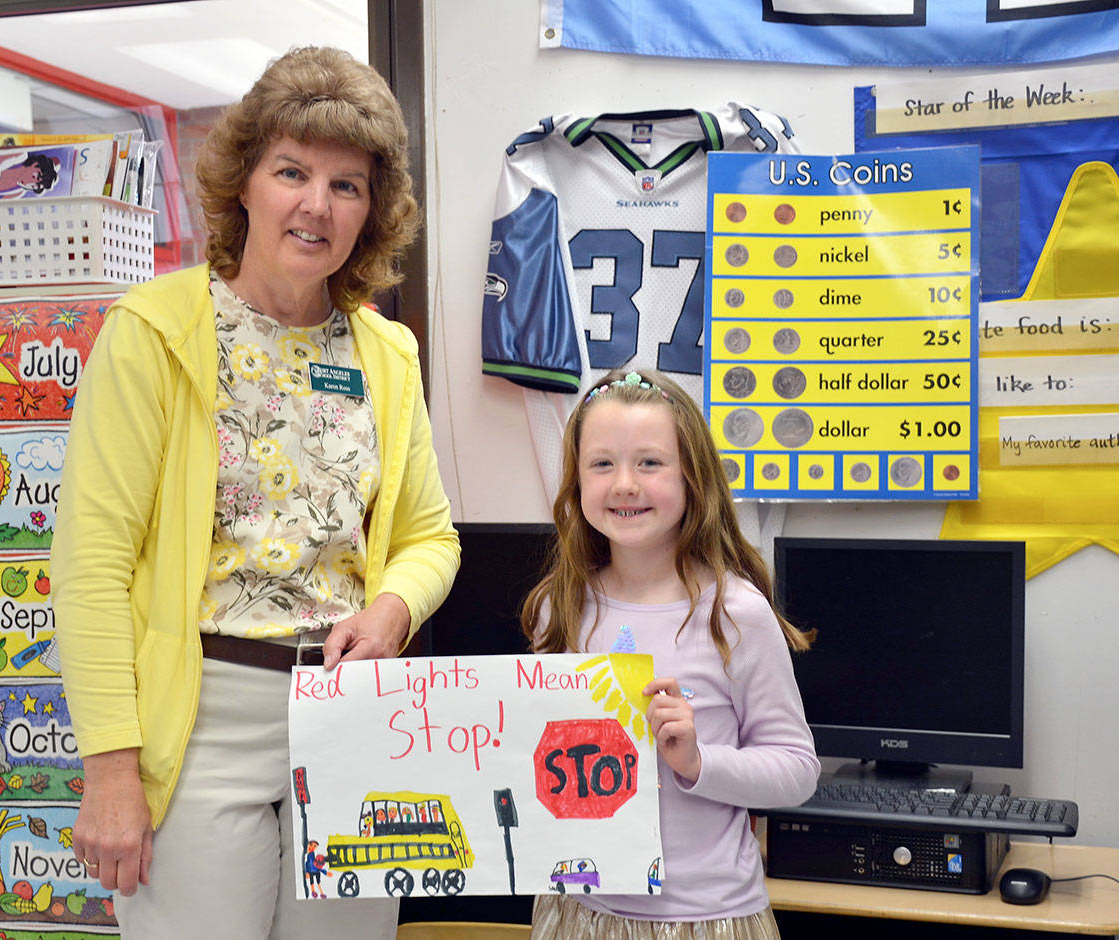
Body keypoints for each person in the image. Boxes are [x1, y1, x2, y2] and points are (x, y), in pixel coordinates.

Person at [50, 46, 459, 939]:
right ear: (244, 182)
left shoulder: (387, 354)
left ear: (372, 211)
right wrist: (110, 771)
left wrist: (392, 608)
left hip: (350, 717)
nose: (317, 205)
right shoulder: (152, 332)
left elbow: (432, 537)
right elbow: (91, 567)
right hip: (200, 718)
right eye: (292, 172)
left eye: (347, 186)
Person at [521, 368, 818, 940]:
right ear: (576, 480)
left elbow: (797, 770)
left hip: (705, 919)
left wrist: (697, 762)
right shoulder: (558, 608)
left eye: (650, 463)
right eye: (601, 464)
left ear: (693, 478)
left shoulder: (735, 613)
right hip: (579, 911)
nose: (624, 484)